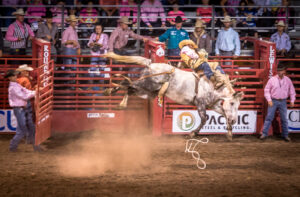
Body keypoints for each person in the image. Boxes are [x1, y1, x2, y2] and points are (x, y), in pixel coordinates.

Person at [5, 69, 42, 152]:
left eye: (15, 75)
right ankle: (12, 147)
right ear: (10, 77)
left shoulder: (16, 85)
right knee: (22, 129)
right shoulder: (13, 87)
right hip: (19, 109)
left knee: (31, 127)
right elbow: (24, 96)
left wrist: (34, 92)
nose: (16, 76)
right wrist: (35, 92)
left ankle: (36, 147)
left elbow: (25, 91)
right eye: (14, 75)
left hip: (22, 108)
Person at [260, 64, 296, 142]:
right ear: (277, 71)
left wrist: (292, 100)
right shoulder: (272, 79)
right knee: (269, 117)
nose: (280, 72)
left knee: (284, 119)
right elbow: (266, 90)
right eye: (279, 71)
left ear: (284, 71)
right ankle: (264, 133)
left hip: (283, 101)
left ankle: (285, 135)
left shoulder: (288, 80)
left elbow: (292, 91)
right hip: (274, 100)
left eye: (281, 71)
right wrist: (269, 100)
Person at [87, 23, 109, 94]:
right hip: (94, 54)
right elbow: (89, 43)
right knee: (92, 69)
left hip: (102, 54)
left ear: (102, 29)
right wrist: (91, 44)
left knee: (102, 70)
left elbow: (106, 45)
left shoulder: (105, 35)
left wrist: (100, 45)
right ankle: (90, 86)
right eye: (96, 28)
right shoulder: (93, 35)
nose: (97, 30)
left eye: (99, 28)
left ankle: (101, 86)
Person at [16, 64, 35, 144]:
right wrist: (35, 89)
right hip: (25, 101)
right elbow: (28, 90)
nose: (28, 72)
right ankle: (29, 138)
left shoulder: (17, 80)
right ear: (23, 72)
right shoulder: (25, 80)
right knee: (29, 120)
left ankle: (20, 138)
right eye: (26, 71)